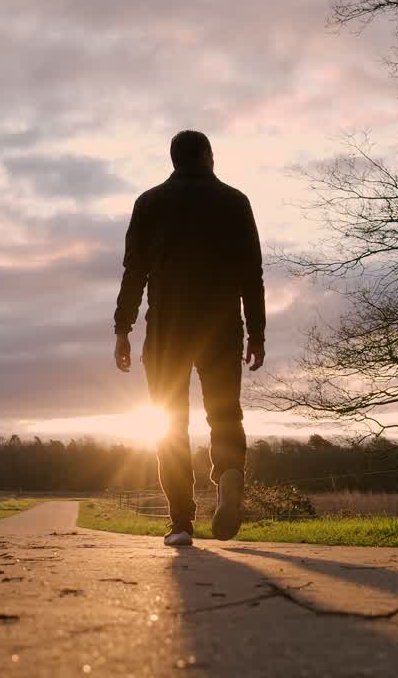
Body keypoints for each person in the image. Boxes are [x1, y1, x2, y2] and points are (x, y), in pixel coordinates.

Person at [113, 130, 265, 547]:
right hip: (221, 327)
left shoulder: (149, 203)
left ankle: (181, 521)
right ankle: (229, 474)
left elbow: (135, 273)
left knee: (169, 422)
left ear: (174, 160)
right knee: (225, 414)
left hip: (166, 329)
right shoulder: (235, 202)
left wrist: (122, 329)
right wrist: (257, 332)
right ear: (209, 157)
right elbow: (251, 273)